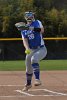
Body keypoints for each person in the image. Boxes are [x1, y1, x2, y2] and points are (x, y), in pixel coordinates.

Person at [16, 11, 47, 91]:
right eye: (28, 15)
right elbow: (25, 40)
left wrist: (29, 28)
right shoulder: (23, 30)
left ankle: (37, 79)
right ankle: (28, 84)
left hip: (41, 48)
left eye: (31, 15)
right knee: (28, 68)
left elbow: (41, 30)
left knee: (34, 59)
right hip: (31, 49)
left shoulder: (37, 22)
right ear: (25, 17)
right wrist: (27, 48)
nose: (30, 16)